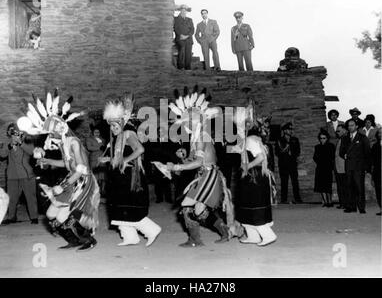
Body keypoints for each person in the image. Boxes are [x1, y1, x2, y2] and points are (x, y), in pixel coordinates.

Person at [17, 90, 100, 251]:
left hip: (82, 181)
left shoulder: (73, 142)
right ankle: (73, 240)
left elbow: (81, 169)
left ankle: (89, 239)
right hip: (72, 178)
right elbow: (67, 164)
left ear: (60, 129)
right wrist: (47, 160)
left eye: (51, 134)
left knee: (69, 216)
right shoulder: (64, 143)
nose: (49, 138)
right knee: (51, 215)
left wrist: (63, 186)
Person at [166, 86, 241, 247]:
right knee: (198, 210)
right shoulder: (196, 137)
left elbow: (200, 162)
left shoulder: (200, 136)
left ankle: (195, 240)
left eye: (188, 121)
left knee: (187, 206)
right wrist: (183, 157)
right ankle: (224, 232)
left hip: (208, 175)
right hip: (204, 175)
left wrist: (177, 168)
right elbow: (196, 159)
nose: (185, 124)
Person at [100, 94, 161, 246]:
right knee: (118, 207)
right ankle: (130, 237)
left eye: (115, 126)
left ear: (122, 123)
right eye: (111, 126)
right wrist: (108, 159)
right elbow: (118, 157)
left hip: (129, 179)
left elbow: (140, 149)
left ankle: (152, 230)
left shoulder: (128, 133)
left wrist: (125, 160)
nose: (112, 129)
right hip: (119, 179)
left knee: (129, 207)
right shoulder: (119, 136)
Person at [233, 102, 277, 246]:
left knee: (254, 206)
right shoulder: (246, 140)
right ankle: (253, 236)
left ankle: (268, 235)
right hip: (250, 178)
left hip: (255, 178)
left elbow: (261, 158)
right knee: (245, 206)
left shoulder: (251, 140)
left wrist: (248, 166)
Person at [0, 123, 38, 225]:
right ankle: (11, 217)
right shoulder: (7, 142)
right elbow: (2, 154)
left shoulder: (27, 139)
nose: (12, 133)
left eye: (14, 130)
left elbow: (31, 152)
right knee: (11, 197)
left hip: (26, 174)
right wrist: (10, 145)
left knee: (30, 196)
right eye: (10, 131)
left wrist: (20, 143)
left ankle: (34, 217)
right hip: (12, 174)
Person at [340, 119, 371, 214]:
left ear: (356, 126)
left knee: (359, 187)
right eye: (349, 126)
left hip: (359, 167)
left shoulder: (362, 138)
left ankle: (361, 207)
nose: (350, 127)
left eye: (352, 125)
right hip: (349, 166)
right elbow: (341, 152)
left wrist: (367, 168)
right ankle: (351, 207)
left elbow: (367, 153)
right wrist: (344, 155)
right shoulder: (344, 138)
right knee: (350, 186)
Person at [275, 122, 303, 204]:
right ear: (284, 130)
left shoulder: (295, 139)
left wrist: (292, 154)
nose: (291, 131)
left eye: (291, 129)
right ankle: (284, 200)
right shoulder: (279, 140)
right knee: (284, 182)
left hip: (293, 164)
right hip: (283, 164)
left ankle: (297, 199)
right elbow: (277, 152)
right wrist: (285, 153)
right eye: (288, 129)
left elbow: (298, 151)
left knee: (295, 182)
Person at [313, 130, 335, 207]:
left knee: (328, 185)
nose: (322, 140)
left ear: (327, 138)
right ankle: (325, 202)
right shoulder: (317, 147)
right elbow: (315, 157)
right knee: (321, 185)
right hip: (319, 168)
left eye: (324, 138)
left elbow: (332, 157)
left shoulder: (331, 146)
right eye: (321, 138)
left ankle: (330, 201)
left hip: (328, 168)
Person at [85, 128, 106, 197]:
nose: (97, 133)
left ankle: (102, 191)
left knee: (102, 175)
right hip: (94, 158)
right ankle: (94, 190)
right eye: (95, 132)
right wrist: (99, 147)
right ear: (92, 132)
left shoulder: (102, 139)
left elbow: (105, 148)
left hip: (102, 158)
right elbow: (89, 147)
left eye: (98, 132)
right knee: (95, 175)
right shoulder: (89, 139)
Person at [174, 4, 194, 70]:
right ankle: (181, 66)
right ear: (180, 11)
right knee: (182, 47)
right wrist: (181, 35)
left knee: (188, 51)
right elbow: (176, 28)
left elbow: (192, 30)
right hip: (180, 38)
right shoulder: (176, 19)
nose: (183, 12)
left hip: (188, 38)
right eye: (182, 10)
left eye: (185, 11)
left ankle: (188, 67)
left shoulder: (190, 20)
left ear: (186, 12)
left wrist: (187, 36)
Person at [334, 124, 347, 209]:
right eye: (337, 131)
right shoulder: (340, 139)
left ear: (344, 130)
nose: (337, 132)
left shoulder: (346, 139)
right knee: (340, 186)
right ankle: (342, 203)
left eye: (339, 131)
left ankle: (345, 204)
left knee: (344, 186)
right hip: (338, 166)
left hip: (343, 167)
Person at [371, 128, 381, 215]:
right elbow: (373, 161)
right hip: (378, 171)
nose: (381, 135)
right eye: (379, 133)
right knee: (379, 191)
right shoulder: (375, 146)